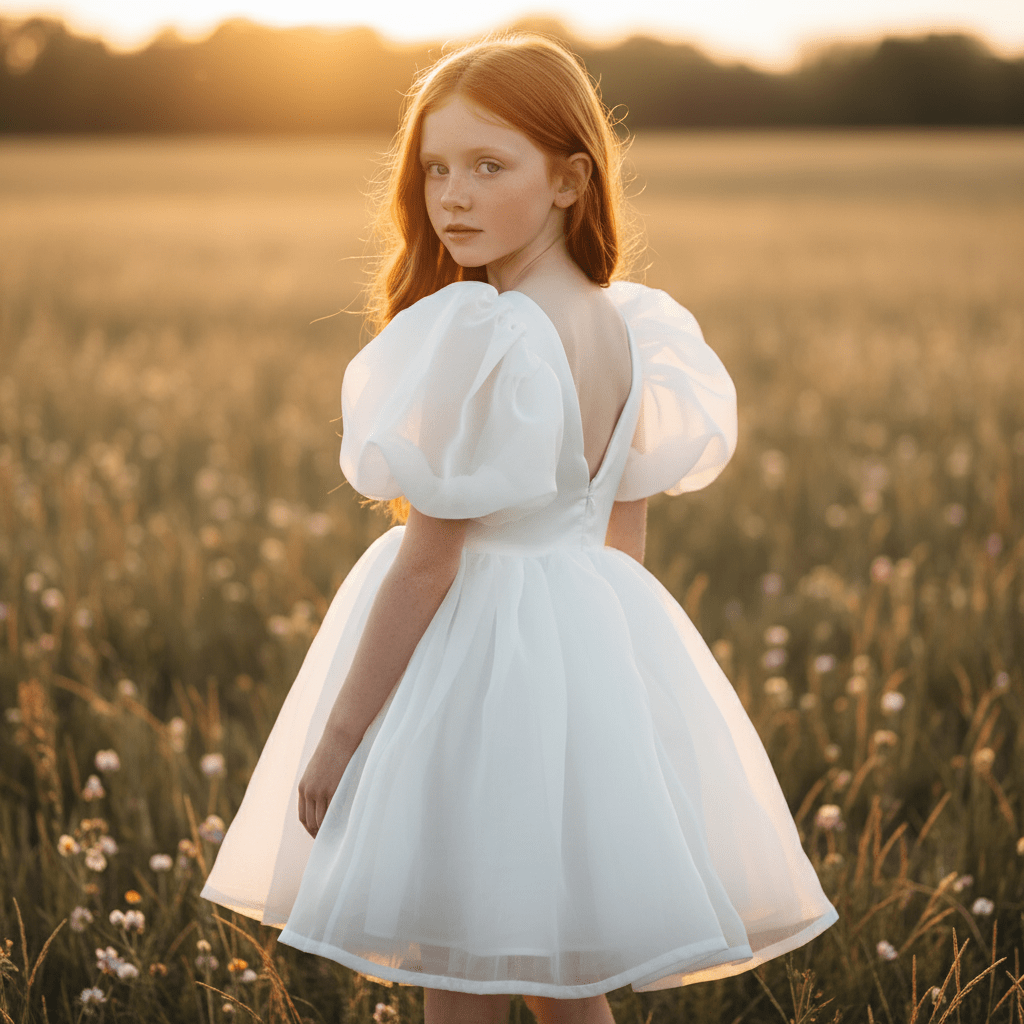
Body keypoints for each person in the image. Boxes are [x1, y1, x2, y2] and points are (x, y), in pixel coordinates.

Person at [201, 33, 838, 1024]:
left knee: (459, 966)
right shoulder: (636, 333)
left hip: (473, 662)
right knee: (555, 970)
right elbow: (617, 542)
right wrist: (597, 701)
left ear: (569, 179)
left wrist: (336, 741)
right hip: (578, 656)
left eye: (488, 167)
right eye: (435, 167)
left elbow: (426, 565)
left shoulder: (480, 337)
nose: (451, 195)